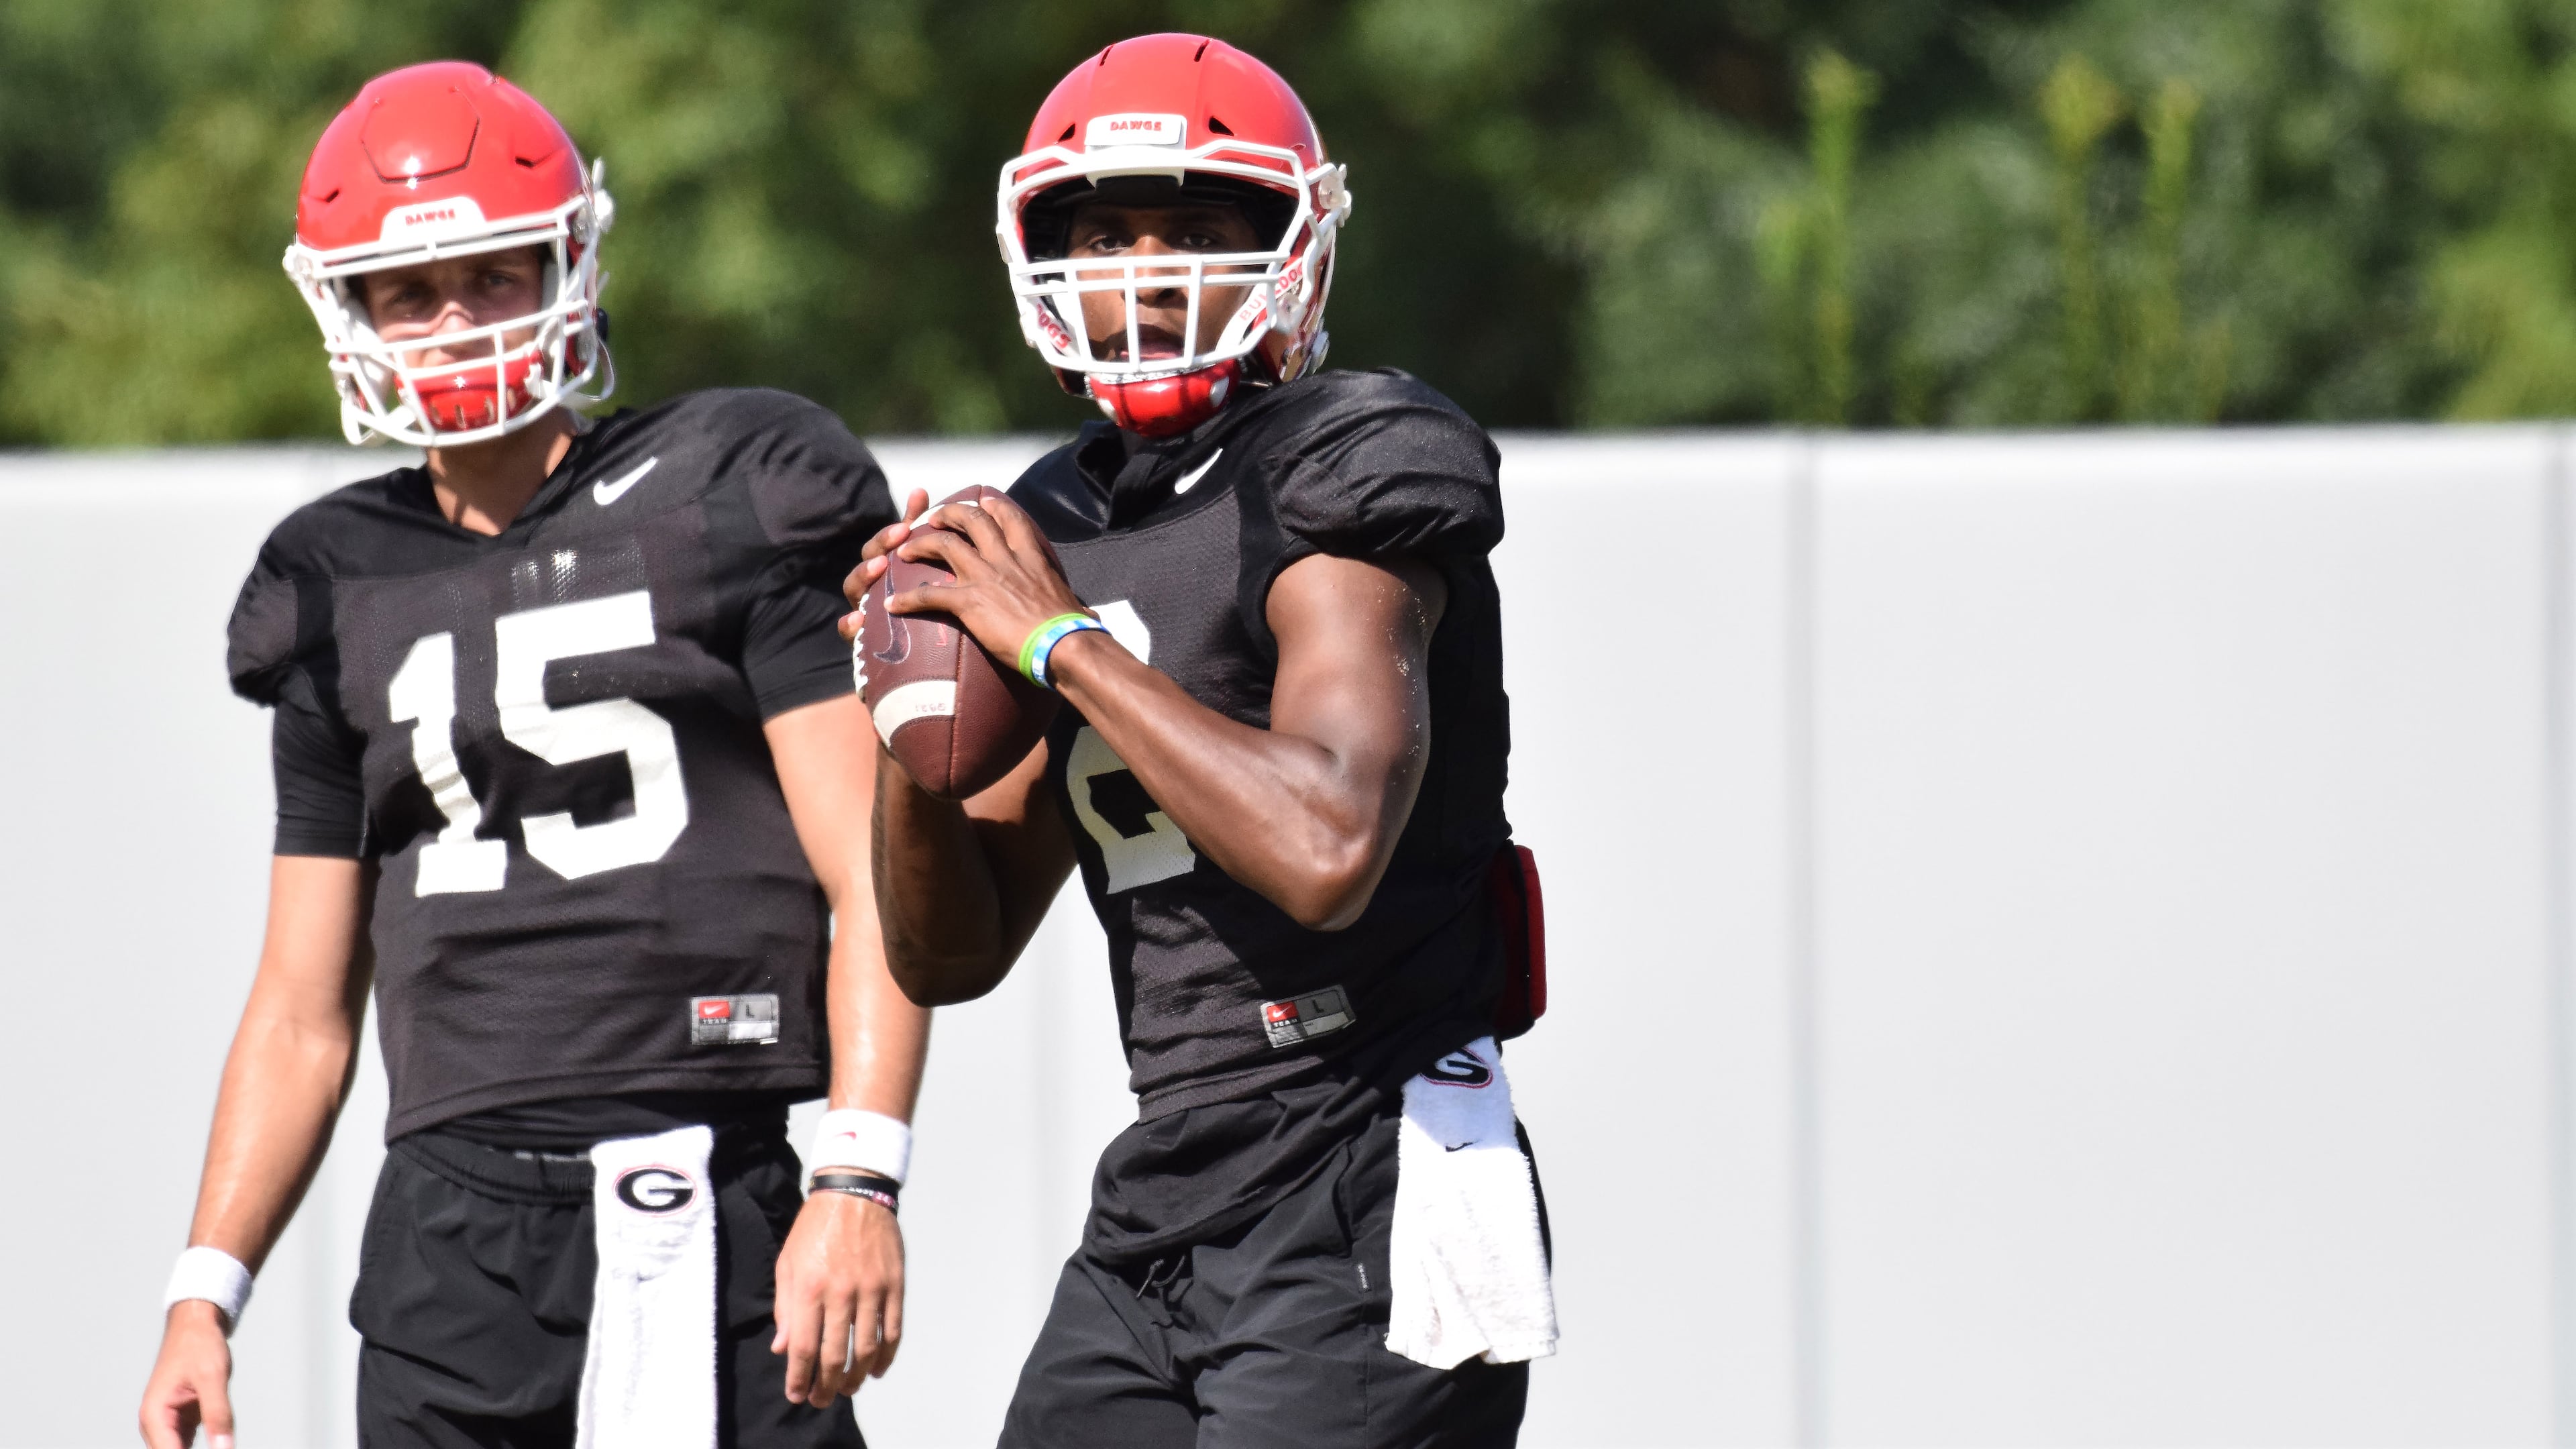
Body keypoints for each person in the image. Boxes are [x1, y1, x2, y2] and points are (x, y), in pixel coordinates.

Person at [136, 62, 927, 1449]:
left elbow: (874, 872)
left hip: (712, 1187)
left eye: (494, 275)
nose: (454, 323)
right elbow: (301, 1004)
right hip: (450, 1240)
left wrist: (859, 1176)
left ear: (570, 263)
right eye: (410, 292)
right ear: (350, 311)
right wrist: (205, 1292)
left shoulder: (733, 484)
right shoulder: (329, 581)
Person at [845, 34, 1554, 1446]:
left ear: (1292, 253)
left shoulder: (1348, 460)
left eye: (1198, 231)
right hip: (1177, 1169)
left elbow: (1326, 844)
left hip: (1370, 1152)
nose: (1148, 270)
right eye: (1105, 234)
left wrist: (1057, 642)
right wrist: (908, 711)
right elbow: (952, 951)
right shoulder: (1063, 513)